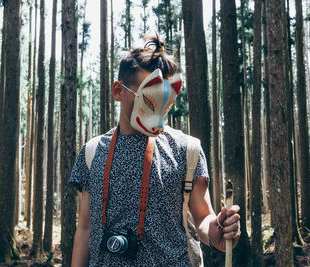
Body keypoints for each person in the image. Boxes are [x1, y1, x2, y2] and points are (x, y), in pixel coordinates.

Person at [70, 33, 241, 266]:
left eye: (165, 103)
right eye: (149, 100)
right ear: (118, 91)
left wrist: (217, 231)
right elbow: (85, 227)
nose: (158, 113)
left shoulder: (186, 149)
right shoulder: (92, 152)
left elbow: (202, 217)